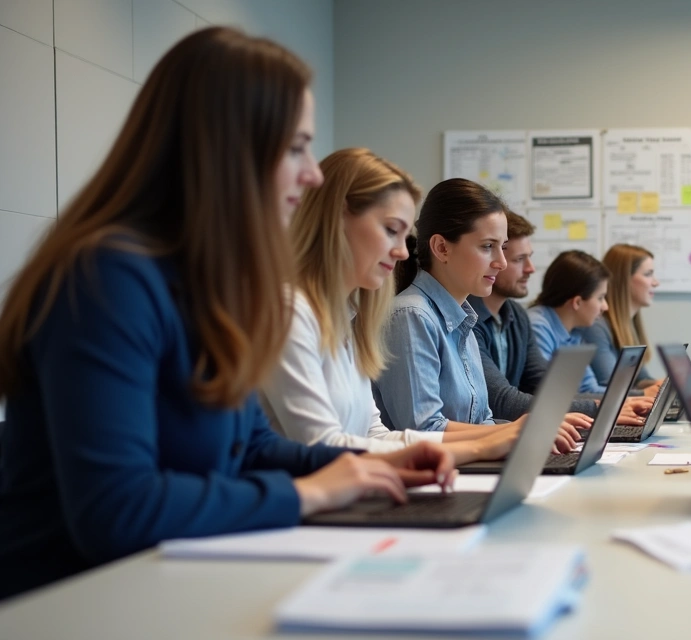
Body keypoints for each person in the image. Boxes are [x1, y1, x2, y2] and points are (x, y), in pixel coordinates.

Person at [0, 28, 455, 600]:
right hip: (71, 604)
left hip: (162, 583)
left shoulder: (210, 283)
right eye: (295, 148)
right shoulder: (104, 277)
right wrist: (310, 493)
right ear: (227, 149)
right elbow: (115, 511)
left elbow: (253, 447)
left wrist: (368, 465)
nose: (311, 173)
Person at [261, 148, 515, 462]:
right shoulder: (289, 314)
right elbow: (323, 447)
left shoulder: (346, 318)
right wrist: (481, 447)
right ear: (337, 220)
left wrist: (506, 436)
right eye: (391, 230)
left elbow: (373, 435)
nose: (402, 253)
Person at [374, 178, 578, 452]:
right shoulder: (411, 316)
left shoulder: (464, 318)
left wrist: (533, 432)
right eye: (487, 247)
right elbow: (423, 431)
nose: (501, 262)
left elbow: (484, 422)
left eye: (503, 247)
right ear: (442, 248)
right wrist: (519, 430)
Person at [467, 214, 652, 423]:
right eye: (519, 260)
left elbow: (551, 390)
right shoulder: (468, 318)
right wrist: (601, 409)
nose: (531, 268)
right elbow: (503, 402)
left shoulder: (517, 316)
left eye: (529, 257)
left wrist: (609, 406)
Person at [580, 244, 661, 394]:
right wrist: (649, 392)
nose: (655, 283)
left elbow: (640, 379)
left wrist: (665, 385)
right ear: (624, 279)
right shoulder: (596, 326)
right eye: (648, 274)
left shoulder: (627, 324)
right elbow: (612, 387)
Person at [527, 250, 610, 394]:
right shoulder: (537, 327)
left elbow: (588, 389)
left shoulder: (574, 331)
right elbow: (549, 395)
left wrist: (632, 400)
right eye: (600, 298)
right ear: (577, 302)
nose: (605, 307)